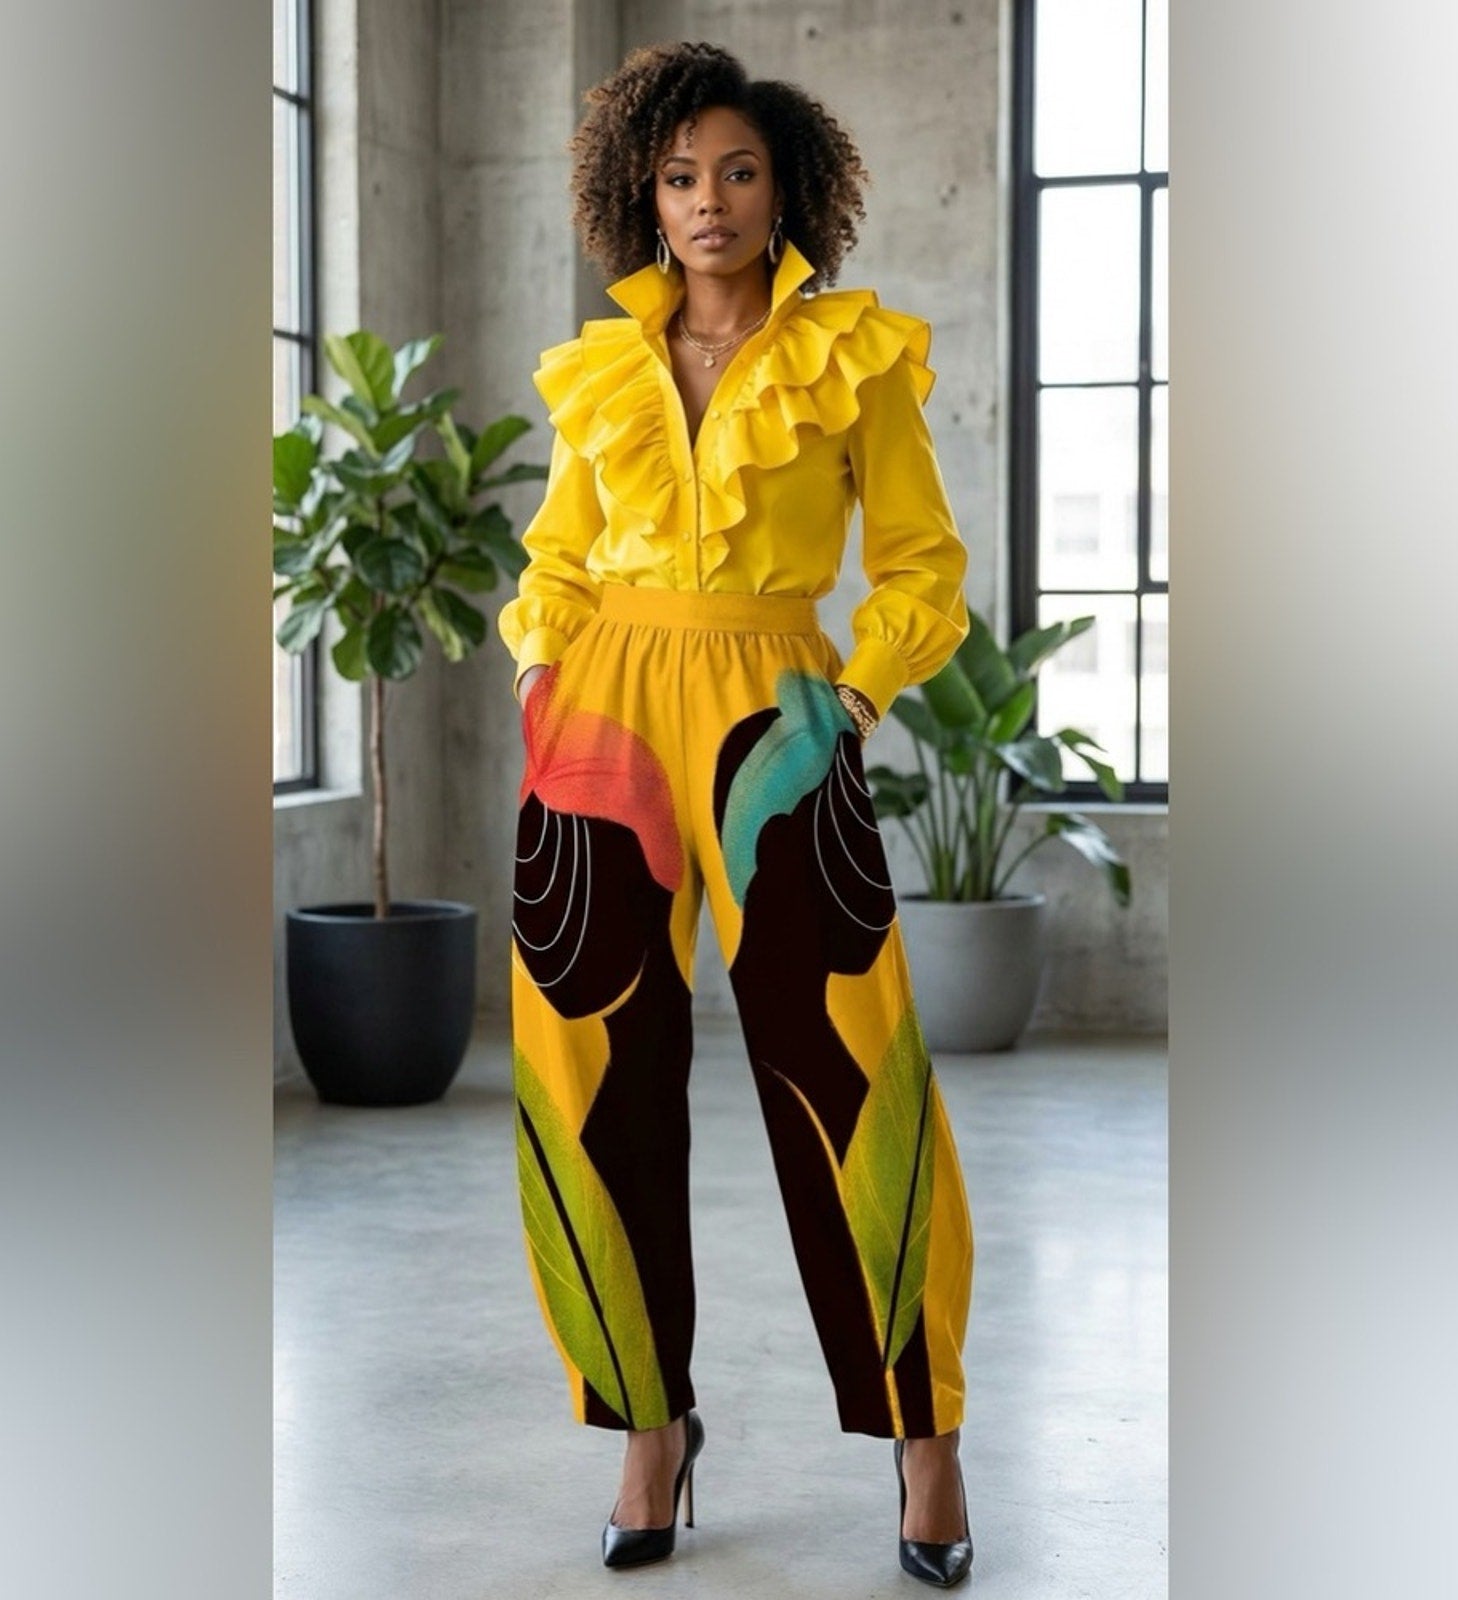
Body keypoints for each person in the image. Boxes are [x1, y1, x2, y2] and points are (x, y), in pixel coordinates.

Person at [495, 40, 977, 1588]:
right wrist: (540, 674)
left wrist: (858, 692)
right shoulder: (602, 367)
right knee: (592, 1071)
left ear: (788, 191)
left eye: (738, 172)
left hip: (779, 707)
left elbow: (921, 568)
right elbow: (558, 556)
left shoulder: (853, 355)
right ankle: (650, 1425)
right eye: (680, 176)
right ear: (645, 192)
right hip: (603, 713)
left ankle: (926, 1435)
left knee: (846, 1060)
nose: (708, 202)